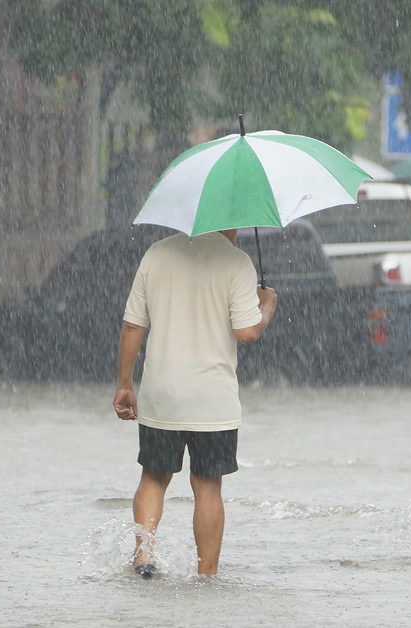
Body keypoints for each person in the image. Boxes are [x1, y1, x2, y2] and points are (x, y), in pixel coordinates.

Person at [113, 229, 277, 578]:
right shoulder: (237, 262)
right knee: (207, 485)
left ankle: (144, 556)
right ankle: (207, 576)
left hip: (162, 392)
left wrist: (125, 384)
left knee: (154, 477)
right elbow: (246, 332)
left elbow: (132, 325)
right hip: (212, 399)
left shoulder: (156, 254)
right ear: (231, 221)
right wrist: (267, 307)